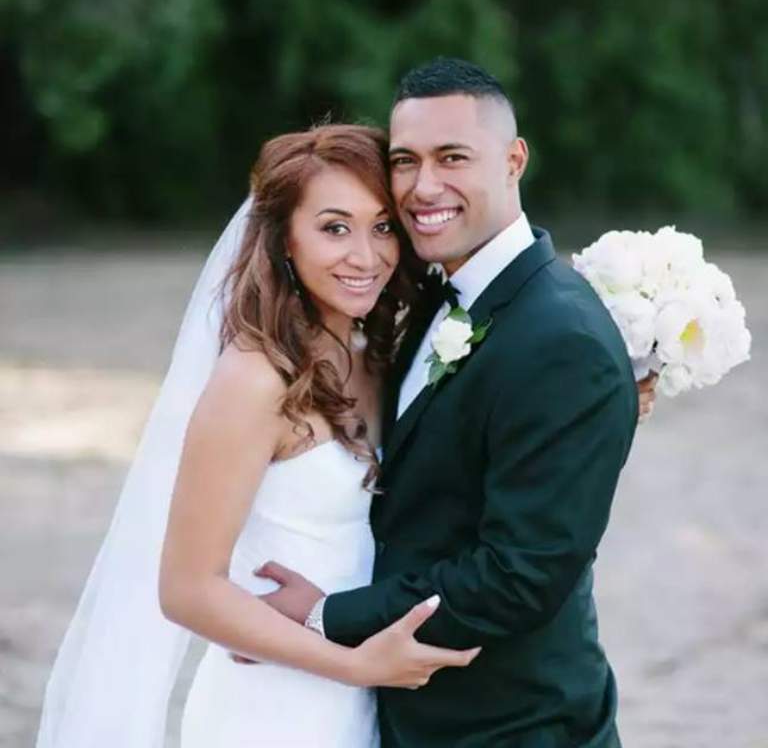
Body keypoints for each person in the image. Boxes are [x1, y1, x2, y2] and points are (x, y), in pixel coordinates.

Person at [35, 124, 480, 748]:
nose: (366, 254)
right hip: (275, 707)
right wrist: (355, 664)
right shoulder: (253, 380)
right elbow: (188, 591)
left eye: (382, 226)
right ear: (284, 242)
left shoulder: (375, 354)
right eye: (334, 227)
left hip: (365, 695)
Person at [250, 58, 650, 747]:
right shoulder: (436, 293)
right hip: (413, 716)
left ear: (514, 160)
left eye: (452, 157)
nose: (422, 186)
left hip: (512, 725)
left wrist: (326, 617)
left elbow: (518, 575)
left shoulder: (562, 339)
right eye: (404, 161)